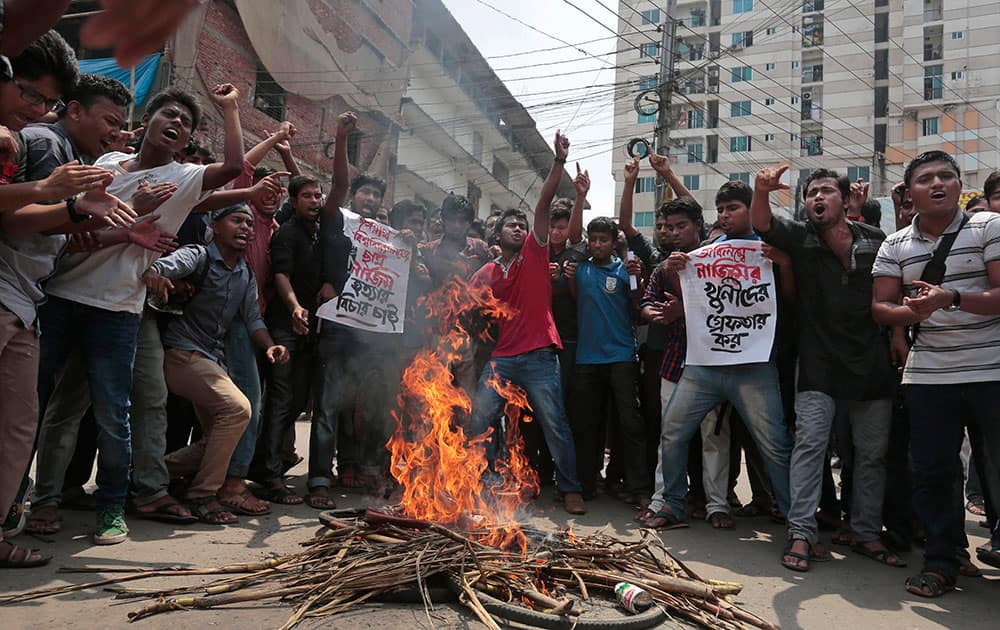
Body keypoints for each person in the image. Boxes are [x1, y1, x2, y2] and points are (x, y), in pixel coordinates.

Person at [33, 83, 245, 545]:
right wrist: (127, 222)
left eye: (185, 123)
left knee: (115, 414)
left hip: (118, 309)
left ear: (187, 141)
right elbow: (74, 228)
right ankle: (41, 502)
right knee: (57, 412)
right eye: (168, 114)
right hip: (64, 297)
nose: (176, 123)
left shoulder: (184, 177)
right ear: (145, 122)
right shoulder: (107, 164)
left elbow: (231, 167)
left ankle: (111, 508)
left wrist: (228, 107)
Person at [752, 164, 901, 572]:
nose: (817, 198)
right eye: (810, 193)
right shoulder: (800, 238)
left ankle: (867, 532)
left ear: (844, 198)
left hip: (872, 362)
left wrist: (899, 336)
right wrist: (761, 189)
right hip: (818, 361)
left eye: (825, 191)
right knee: (810, 447)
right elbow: (761, 221)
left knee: (870, 455)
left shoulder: (877, 240)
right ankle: (801, 533)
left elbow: (892, 289)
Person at [872, 150, 1000, 597]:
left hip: (991, 370)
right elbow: (880, 306)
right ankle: (943, 561)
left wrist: (952, 298)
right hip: (929, 376)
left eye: (947, 175)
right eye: (926, 178)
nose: (938, 183)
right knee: (932, 471)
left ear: (959, 186)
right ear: (910, 194)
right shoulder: (895, 244)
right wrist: (910, 311)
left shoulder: (988, 227)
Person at [649, 179, 794, 543]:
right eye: (721, 210)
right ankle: (673, 504)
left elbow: (791, 298)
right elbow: (692, 299)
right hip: (705, 365)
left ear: (751, 209)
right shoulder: (709, 250)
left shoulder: (771, 247)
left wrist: (785, 264)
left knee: (774, 444)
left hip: (754, 366)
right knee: (672, 432)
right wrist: (676, 267)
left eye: (733, 208)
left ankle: (797, 521)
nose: (726, 216)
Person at [142, 204, 289, 524]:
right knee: (239, 409)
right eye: (237, 220)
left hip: (210, 360)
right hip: (182, 355)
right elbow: (163, 266)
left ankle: (148, 474)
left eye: (250, 224)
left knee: (219, 437)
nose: (246, 228)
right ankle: (203, 494)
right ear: (215, 225)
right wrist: (157, 275)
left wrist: (270, 346)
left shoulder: (245, 272)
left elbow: (252, 319)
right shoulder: (199, 255)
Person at [469, 131, 586, 515]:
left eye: (523, 225)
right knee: (481, 418)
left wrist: (558, 162)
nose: (520, 228)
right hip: (501, 358)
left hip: (538, 355)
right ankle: (483, 480)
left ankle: (570, 488)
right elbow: (464, 309)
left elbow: (544, 202)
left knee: (555, 423)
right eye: (511, 226)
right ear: (496, 235)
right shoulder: (486, 270)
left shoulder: (536, 252)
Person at [252, 176, 324, 505]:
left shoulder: (319, 235)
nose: (314, 200)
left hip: (310, 331)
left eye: (317, 195)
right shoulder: (288, 234)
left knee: (296, 403)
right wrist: (295, 308)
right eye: (306, 196)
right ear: (293, 202)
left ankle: (272, 464)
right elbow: (281, 275)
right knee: (280, 402)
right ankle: (269, 477)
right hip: (284, 327)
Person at [565, 216, 647, 503]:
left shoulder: (626, 270)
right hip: (587, 359)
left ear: (613, 243)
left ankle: (638, 488)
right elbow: (572, 237)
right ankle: (586, 484)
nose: (597, 244)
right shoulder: (578, 269)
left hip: (622, 357)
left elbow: (638, 304)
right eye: (594, 239)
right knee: (586, 424)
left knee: (629, 424)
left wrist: (637, 273)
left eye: (603, 240)